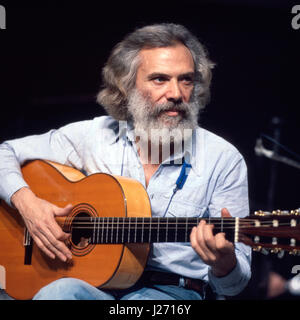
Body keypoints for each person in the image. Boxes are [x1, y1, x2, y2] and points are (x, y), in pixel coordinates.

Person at [0, 23, 251, 300]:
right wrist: (27, 203)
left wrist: (223, 264)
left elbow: (235, 285)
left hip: (172, 294)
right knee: (57, 294)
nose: (176, 94)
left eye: (186, 80)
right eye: (160, 79)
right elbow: (4, 153)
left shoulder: (223, 159)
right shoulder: (96, 135)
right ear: (127, 85)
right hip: (91, 284)